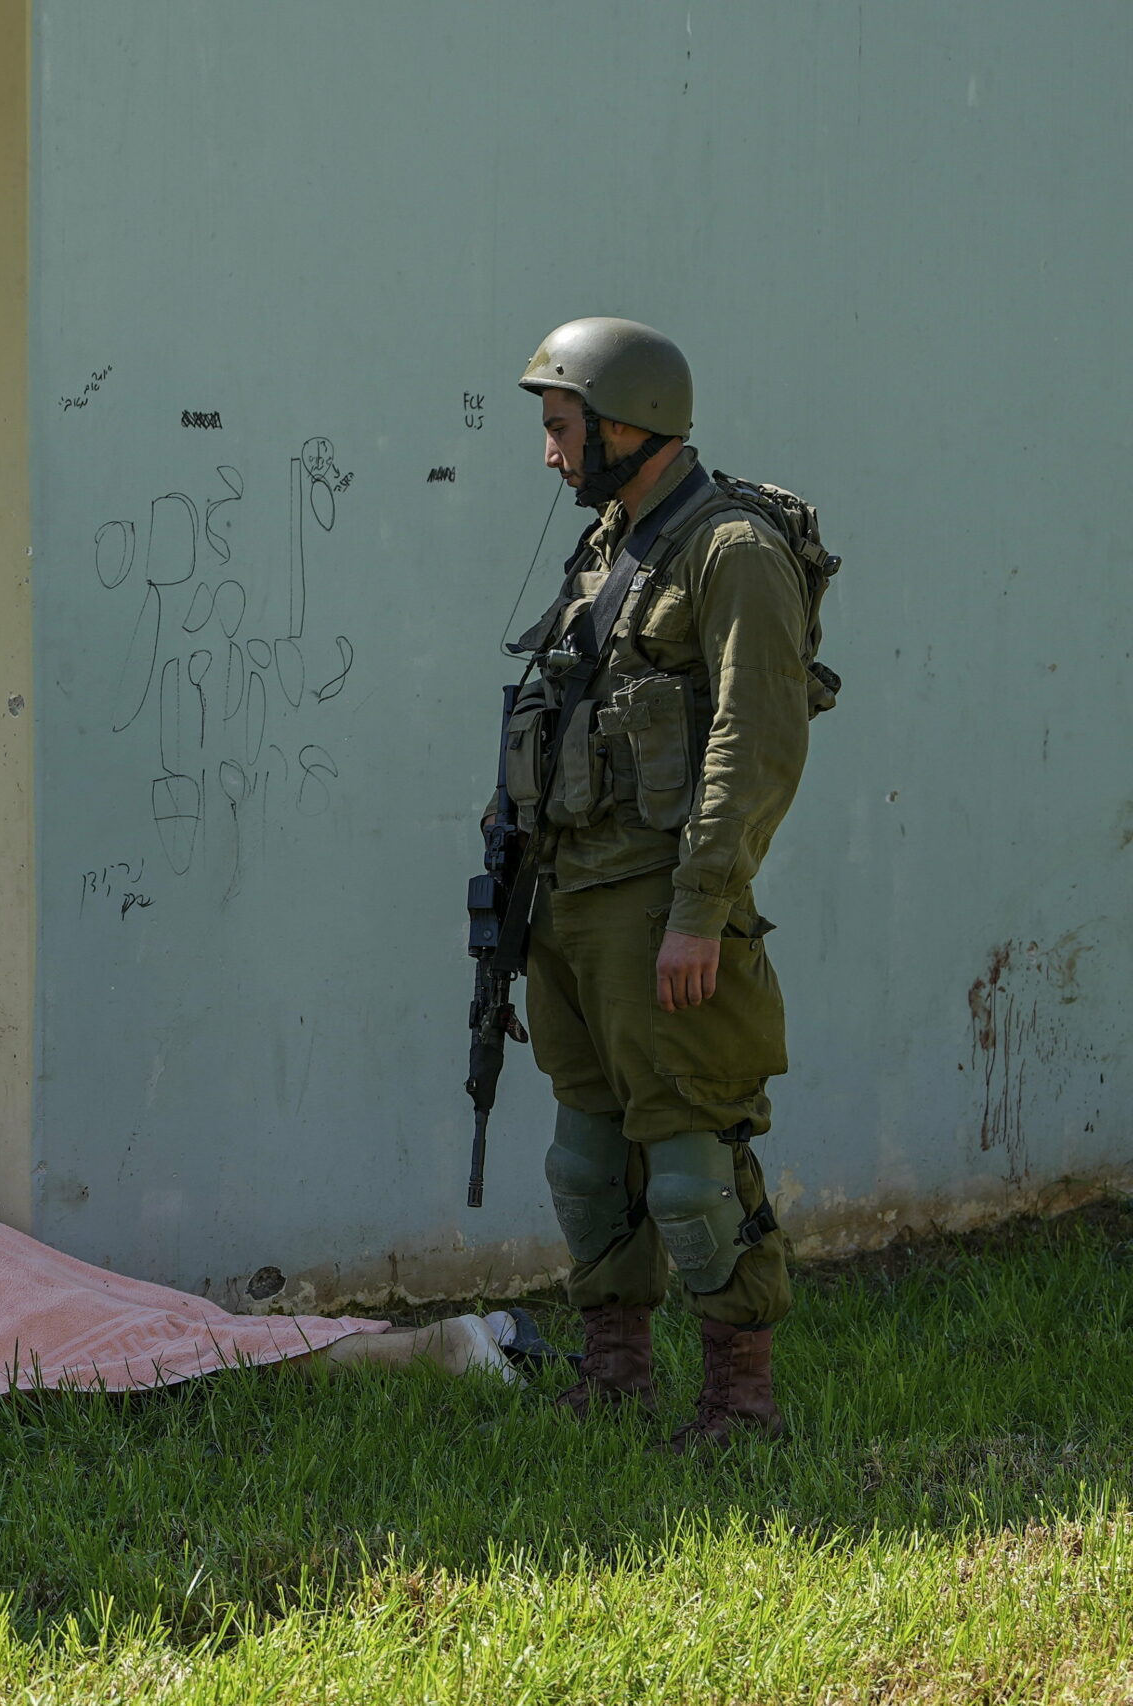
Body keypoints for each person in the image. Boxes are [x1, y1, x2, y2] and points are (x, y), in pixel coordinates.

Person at [503, 317, 826, 1448]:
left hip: (661, 902)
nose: (550, 452)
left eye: (561, 427)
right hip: (570, 898)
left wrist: (701, 908)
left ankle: (740, 1400)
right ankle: (615, 1373)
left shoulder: (728, 547)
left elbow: (756, 736)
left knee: (689, 1161)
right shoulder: (607, 545)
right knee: (586, 1156)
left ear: (623, 421)